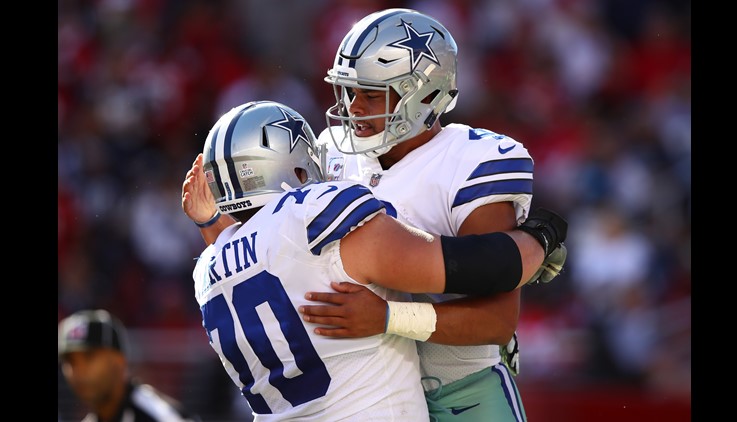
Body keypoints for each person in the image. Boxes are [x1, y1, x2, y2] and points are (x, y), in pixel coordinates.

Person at [181, 100, 566, 420]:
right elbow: (482, 268)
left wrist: (210, 222)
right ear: (295, 166)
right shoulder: (314, 213)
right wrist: (541, 238)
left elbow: (260, 255)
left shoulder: (207, 268)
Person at [299, 8, 568, 421]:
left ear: (424, 93)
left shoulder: (472, 162)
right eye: (349, 91)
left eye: (371, 93)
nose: (353, 108)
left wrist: (389, 318)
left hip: (459, 389)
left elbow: (497, 321)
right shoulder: (331, 151)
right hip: (361, 387)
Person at [58, 309, 201, 422]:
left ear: (119, 360)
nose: (78, 371)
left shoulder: (160, 415)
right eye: (69, 361)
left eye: (89, 357)